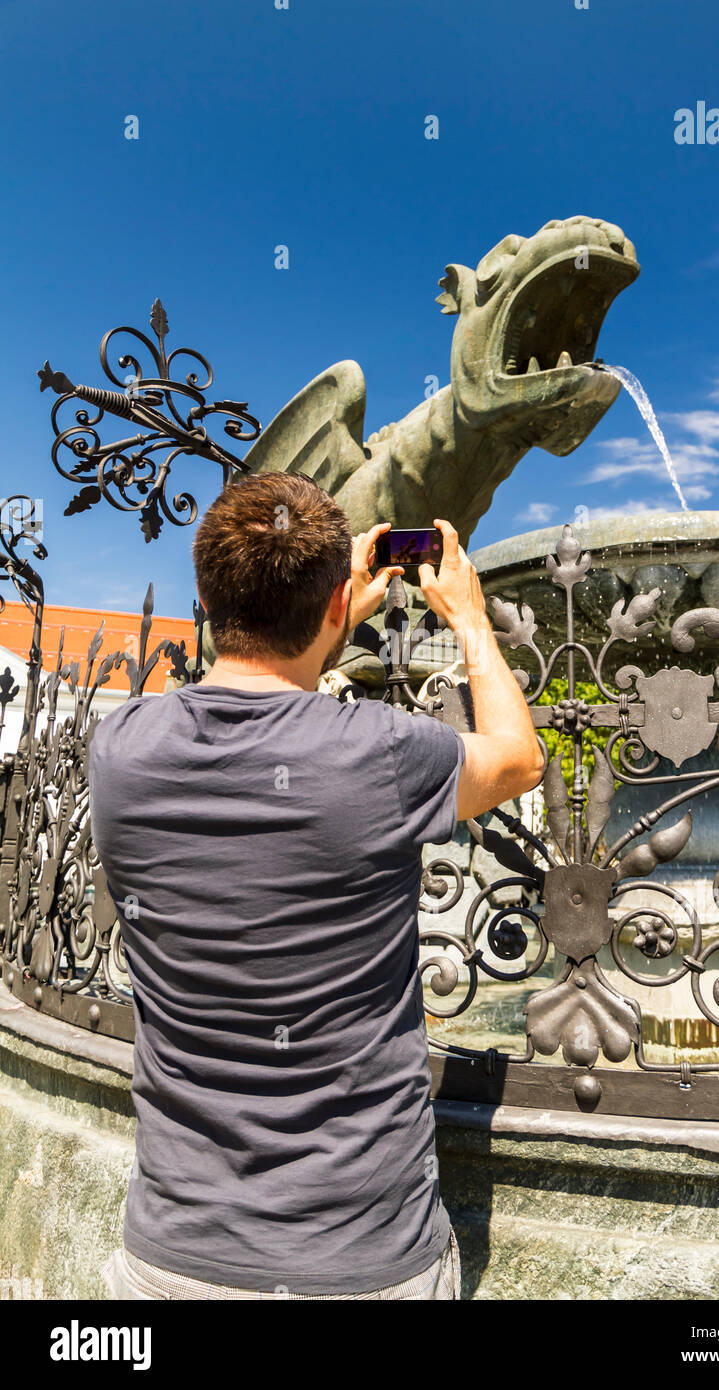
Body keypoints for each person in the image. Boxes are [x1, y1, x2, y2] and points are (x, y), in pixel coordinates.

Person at [90, 472, 543, 1300]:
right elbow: (518, 757)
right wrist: (470, 619)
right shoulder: (383, 752)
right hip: (362, 1260)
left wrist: (324, 617)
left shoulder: (118, 748)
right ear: (337, 602)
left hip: (168, 1257)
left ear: (206, 594)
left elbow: (227, 693)